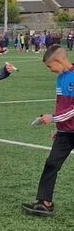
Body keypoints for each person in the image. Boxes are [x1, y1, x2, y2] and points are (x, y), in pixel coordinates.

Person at [22, 44, 74, 216]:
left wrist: (52, 118)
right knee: (52, 163)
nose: (50, 70)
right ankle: (45, 202)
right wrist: (58, 126)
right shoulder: (60, 78)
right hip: (65, 132)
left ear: (59, 60)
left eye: (50, 66)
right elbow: (60, 106)